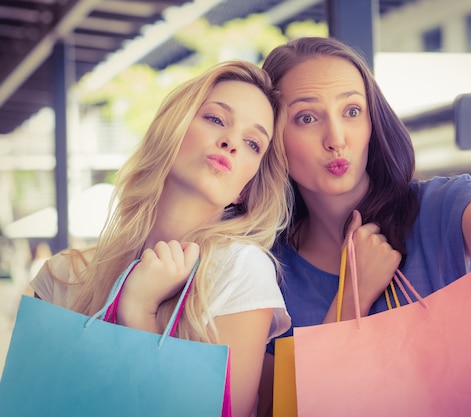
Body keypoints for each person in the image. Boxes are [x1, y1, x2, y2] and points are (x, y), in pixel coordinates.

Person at [256, 36, 471, 412]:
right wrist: (351, 299)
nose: (337, 139)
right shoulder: (262, 266)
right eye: (307, 118)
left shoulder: (440, 206)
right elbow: (284, 407)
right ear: (272, 137)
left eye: (352, 111)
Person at [28, 61, 293, 417]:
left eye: (252, 143)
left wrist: (139, 310)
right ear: (172, 129)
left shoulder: (240, 269)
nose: (231, 143)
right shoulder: (61, 276)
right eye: (216, 119)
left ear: (245, 190)